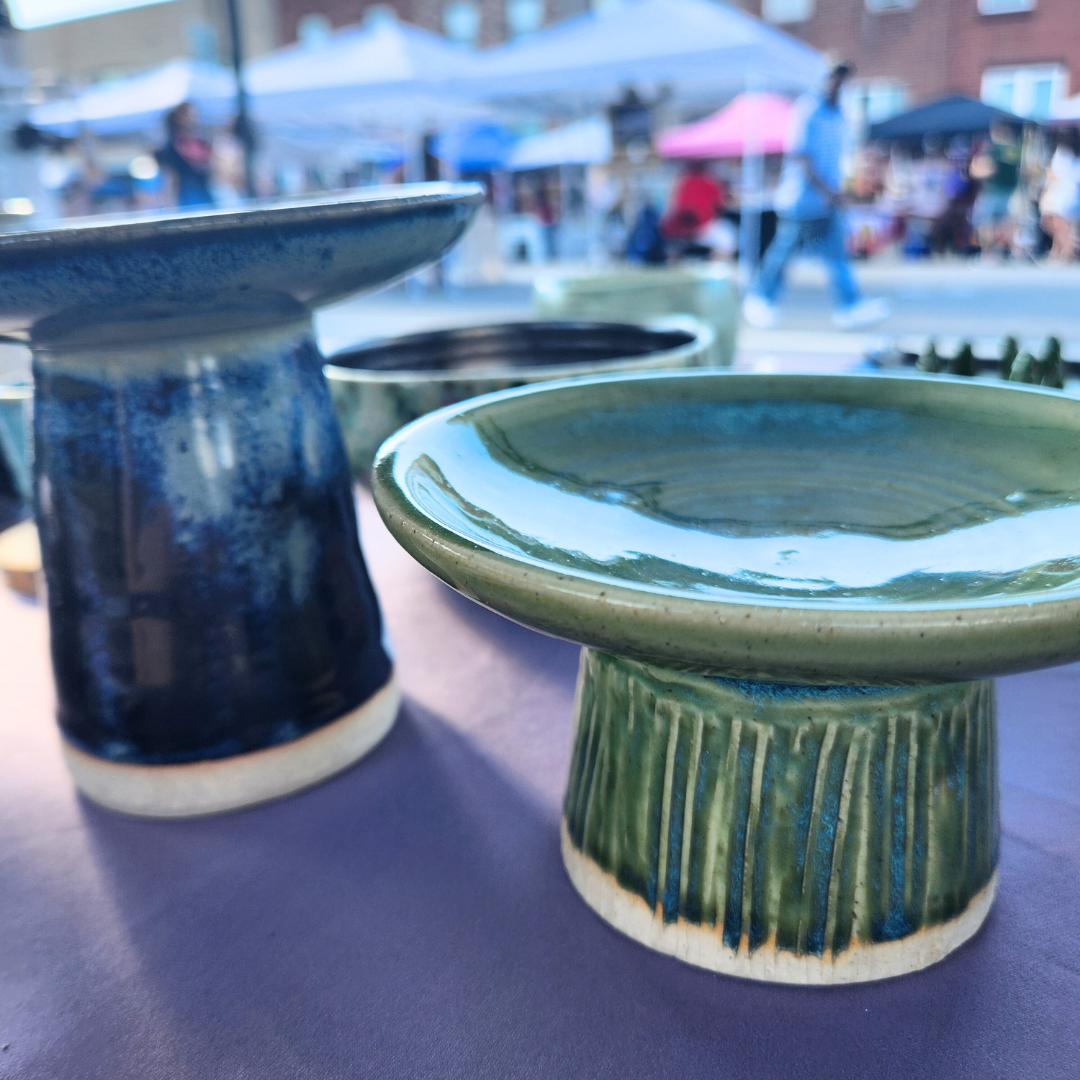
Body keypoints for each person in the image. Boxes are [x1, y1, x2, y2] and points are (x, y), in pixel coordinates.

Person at [742, 62, 889, 330]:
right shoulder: (808, 110)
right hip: (803, 200)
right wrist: (829, 191)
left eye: (843, 79)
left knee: (835, 255)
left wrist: (840, 190)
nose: (838, 85)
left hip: (826, 201)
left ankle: (849, 306)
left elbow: (840, 158)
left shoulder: (839, 115)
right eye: (835, 78)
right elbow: (801, 156)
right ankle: (760, 298)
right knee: (784, 252)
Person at [970, 120, 1021, 257]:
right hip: (1011, 191)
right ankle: (1013, 252)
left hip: (992, 191)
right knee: (1007, 224)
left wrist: (975, 170)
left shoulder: (993, 149)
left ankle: (988, 253)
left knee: (986, 223)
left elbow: (986, 169)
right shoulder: (1016, 149)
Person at [155, 102, 214, 209]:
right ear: (179, 118)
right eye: (190, 114)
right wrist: (169, 205)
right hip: (186, 200)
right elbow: (170, 179)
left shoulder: (203, 143)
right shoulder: (171, 148)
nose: (194, 118)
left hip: (207, 196)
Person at [661, 160, 725, 255]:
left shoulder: (681, 183)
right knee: (727, 242)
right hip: (702, 228)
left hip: (680, 229)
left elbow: (672, 208)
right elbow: (720, 206)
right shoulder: (711, 183)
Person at [1039, 127, 1080, 261]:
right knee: (1066, 224)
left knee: (1057, 223)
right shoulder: (1074, 153)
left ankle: (1066, 249)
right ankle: (1063, 249)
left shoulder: (1063, 152)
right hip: (1073, 192)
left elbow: (1054, 174)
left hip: (1060, 193)